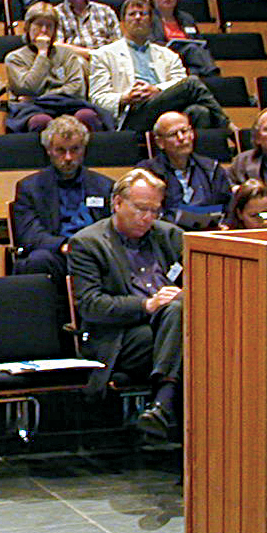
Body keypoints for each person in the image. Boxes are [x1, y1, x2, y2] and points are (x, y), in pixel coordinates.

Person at [67, 168, 184, 441]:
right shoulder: (88, 243)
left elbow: (202, 279)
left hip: (171, 326)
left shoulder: (170, 236)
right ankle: (167, 406)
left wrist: (181, 294)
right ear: (117, 203)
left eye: (155, 211)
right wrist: (147, 305)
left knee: (179, 314)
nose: (148, 218)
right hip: (121, 336)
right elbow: (91, 305)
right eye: (141, 208)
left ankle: (163, 406)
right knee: (188, 337)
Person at [88, 0, 228, 132]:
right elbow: (98, 99)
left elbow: (179, 82)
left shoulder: (169, 55)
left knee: (200, 112)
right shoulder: (103, 55)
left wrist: (157, 90)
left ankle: (200, 153)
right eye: (132, 14)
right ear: (123, 23)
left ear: (150, 21)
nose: (137, 18)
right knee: (192, 83)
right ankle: (228, 128)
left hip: (168, 109)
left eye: (142, 14)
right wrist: (126, 97)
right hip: (133, 115)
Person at [11, 115, 114, 287]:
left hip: (95, 253)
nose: (68, 157)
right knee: (38, 260)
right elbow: (29, 234)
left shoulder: (105, 186)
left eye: (75, 149)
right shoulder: (29, 188)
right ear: (48, 150)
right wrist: (64, 246)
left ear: (84, 149)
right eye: (61, 150)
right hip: (57, 255)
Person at [4, 1, 103, 132]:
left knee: (87, 116)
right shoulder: (15, 58)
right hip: (32, 109)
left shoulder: (67, 55)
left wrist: (42, 97)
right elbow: (28, 88)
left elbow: (76, 88)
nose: (44, 30)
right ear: (28, 27)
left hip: (67, 104)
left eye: (49, 26)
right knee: (40, 121)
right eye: (39, 25)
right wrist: (42, 54)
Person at [142, 110, 232, 228]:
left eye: (184, 131)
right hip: (166, 238)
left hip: (208, 236)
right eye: (173, 134)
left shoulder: (212, 169)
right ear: (160, 142)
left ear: (192, 134)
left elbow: (228, 207)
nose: (181, 138)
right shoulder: (147, 173)